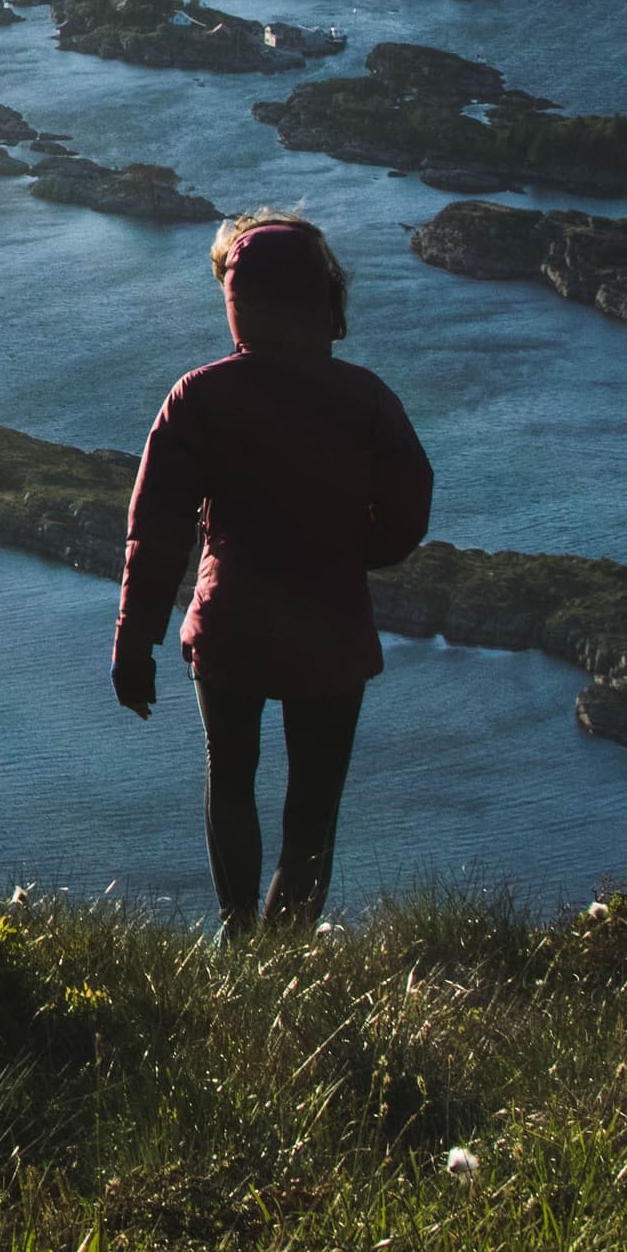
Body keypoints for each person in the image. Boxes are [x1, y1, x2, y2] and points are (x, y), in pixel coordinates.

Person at [112, 210, 432, 934]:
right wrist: (354, 553)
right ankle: (285, 958)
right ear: (324, 299)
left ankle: (239, 935)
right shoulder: (367, 398)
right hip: (332, 629)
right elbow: (409, 513)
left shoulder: (199, 396)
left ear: (239, 302)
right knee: (312, 810)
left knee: (230, 779)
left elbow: (156, 530)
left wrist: (136, 644)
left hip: (230, 631)